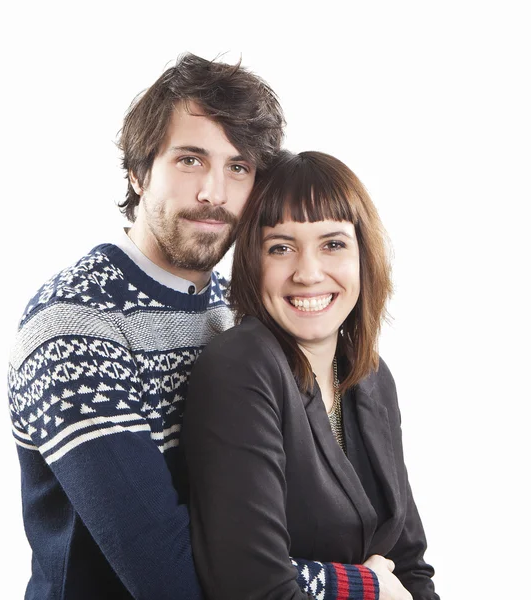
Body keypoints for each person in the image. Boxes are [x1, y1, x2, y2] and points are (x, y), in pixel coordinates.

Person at [8, 55, 379, 600]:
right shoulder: (75, 329)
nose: (214, 192)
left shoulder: (239, 310)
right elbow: (166, 574)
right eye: (190, 160)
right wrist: (359, 584)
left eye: (238, 167)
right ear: (138, 171)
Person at [183, 151, 440, 600]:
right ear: (252, 262)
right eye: (280, 247)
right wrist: (370, 589)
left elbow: (410, 565)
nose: (308, 273)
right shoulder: (241, 366)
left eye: (333, 244)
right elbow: (255, 588)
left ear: (364, 255)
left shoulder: (371, 377)